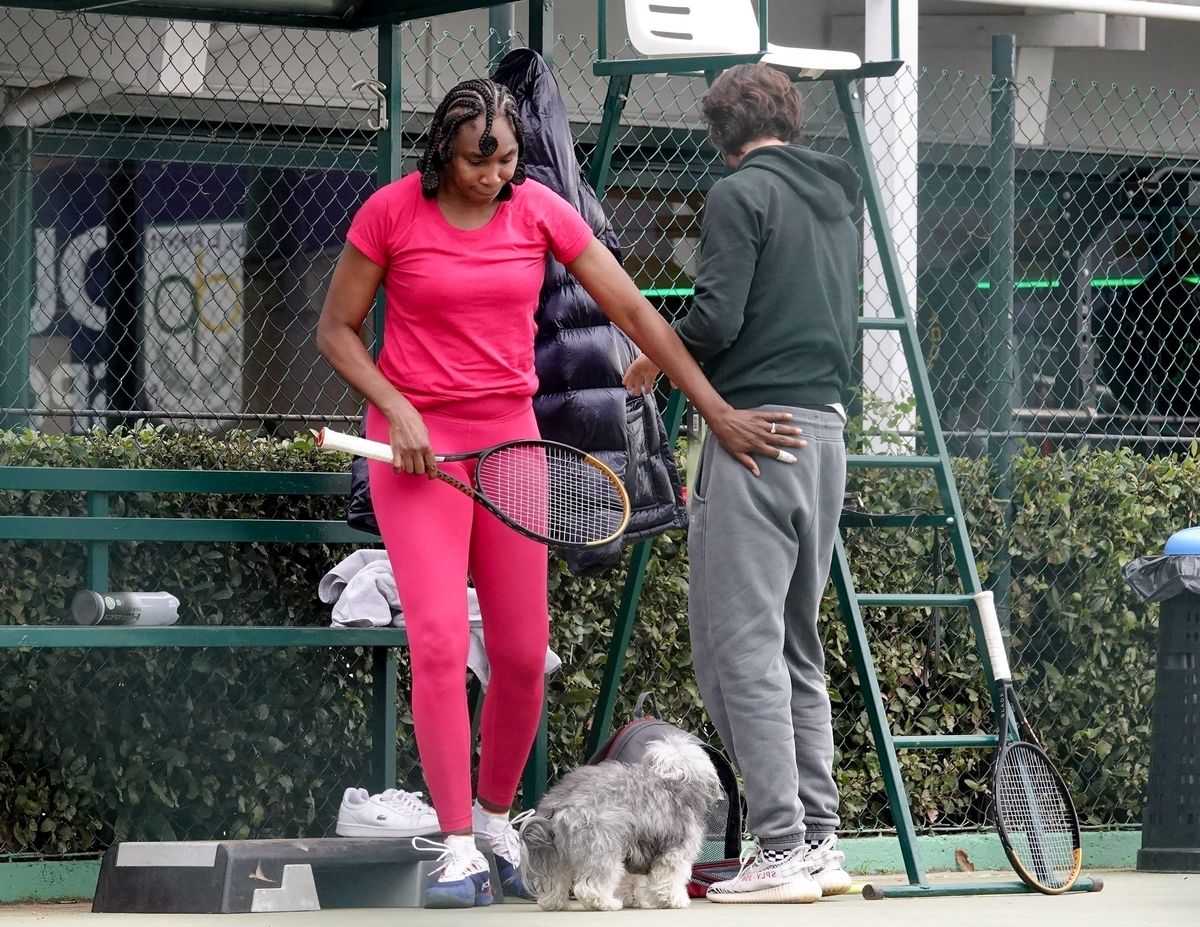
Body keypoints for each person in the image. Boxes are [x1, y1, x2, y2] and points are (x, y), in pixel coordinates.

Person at [316, 76, 802, 909]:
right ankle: (459, 844)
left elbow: (637, 314)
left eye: (506, 159)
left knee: (519, 656)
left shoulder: (537, 207)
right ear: (442, 152)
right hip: (419, 455)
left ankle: (498, 817)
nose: (494, 175)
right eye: (478, 160)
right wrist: (396, 407)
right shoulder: (391, 212)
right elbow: (335, 329)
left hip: (513, 446)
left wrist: (713, 408)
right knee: (436, 644)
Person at [625, 63, 860, 904]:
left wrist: (656, 349)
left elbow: (718, 317)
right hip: (824, 434)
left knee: (741, 652)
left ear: (721, 135)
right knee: (796, 646)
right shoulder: (836, 194)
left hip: (753, 434)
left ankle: (782, 845)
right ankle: (820, 842)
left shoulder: (739, 194)